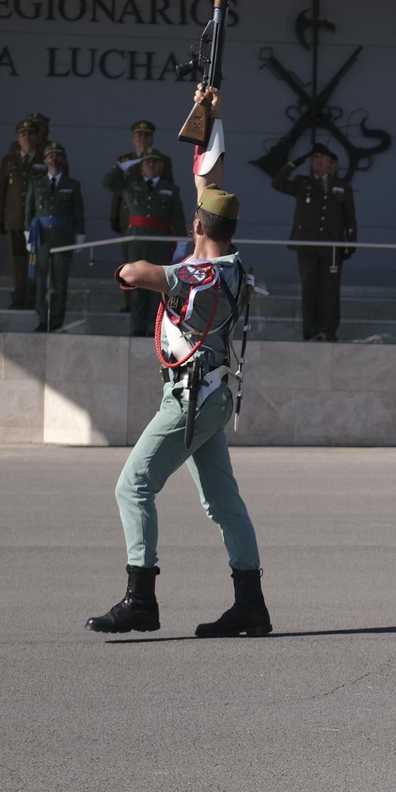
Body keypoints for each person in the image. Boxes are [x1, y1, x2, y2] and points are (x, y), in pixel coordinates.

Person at [90, 83, 271, 639]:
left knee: (133, 484)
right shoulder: (233, 265)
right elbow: (209, 185)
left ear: (197, 227)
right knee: (223, 502)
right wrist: (210, 116)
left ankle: (140, 597)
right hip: (212, 396)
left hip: (190, 397)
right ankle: (251, 605)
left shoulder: (196, 274)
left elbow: (139, 272)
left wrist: (129, 270)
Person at [272, 144, 357, 342]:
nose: (318, 160)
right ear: (310, 161)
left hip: (332, 246)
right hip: (307, 245)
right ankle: (311, 332)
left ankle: (328, 331)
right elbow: (277, 183)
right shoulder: (303, 183)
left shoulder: (343, 187)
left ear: (331, 161)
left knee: (330, 291)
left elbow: (350, 218)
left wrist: (350, 244)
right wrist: (296, 161)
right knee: (309, 289)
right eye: (315, 157)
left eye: (323, 156)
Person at [103, 147, 186, 337]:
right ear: (141, 166)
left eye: (155, 161)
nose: (150, 164)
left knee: (158, 288)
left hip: (160, 243)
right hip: (137, 242)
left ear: (160, 166)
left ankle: (153, 328)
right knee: (137, 286)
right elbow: (106, 181)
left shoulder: (170, 189)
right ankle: (138, 327)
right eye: (147, 161)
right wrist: (126, 164)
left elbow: (178, 217)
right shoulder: (131, 186)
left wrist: (181, 243)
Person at [109, 120, 173, 317]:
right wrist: (114, 216)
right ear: (133, 139)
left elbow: (167, 190)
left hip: (153, 223)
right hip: (128, 219)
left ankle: (152, 310)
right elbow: (116, 192)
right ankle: (131, 304)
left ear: (152, 138)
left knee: (153, 266)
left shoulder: (162, 160)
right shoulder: (125, 160)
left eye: (146, 135)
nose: (142, 139)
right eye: (139, 135)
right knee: (130, 265)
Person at [23, 141, 85, 332]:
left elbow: (78, 213)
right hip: (41, 238)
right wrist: (27, 234)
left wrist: (80, 236)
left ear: (63, 159)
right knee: (42, 281)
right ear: (45, 160)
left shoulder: (72, 185)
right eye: (51, 156)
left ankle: (56, 320)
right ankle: (43, 319)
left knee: (59, 281)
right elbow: (29, 210)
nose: (54, 159)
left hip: (63, 237)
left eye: (58, 155)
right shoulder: (36, 182)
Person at [0, 119, 41, 309]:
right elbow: (1, 191)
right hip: (13, 218)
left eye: (30, 134)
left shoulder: (44, 160)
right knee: (16, 261)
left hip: (37, 222)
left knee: (34, 261)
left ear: (36, 137)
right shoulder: (9, 161)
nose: (27, 137)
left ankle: (33, 295)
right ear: (18, 139)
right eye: (23, 134)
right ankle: (19, 295)